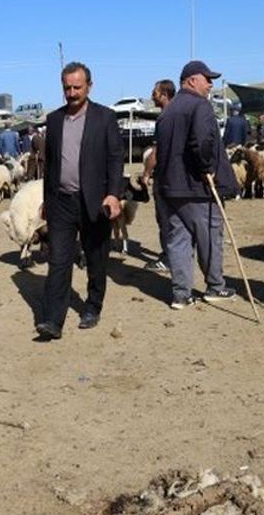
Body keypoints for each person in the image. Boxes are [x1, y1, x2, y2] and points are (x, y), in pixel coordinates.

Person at [35, 62, 124, 340]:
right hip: (61, 202)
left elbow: (115, 158)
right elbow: (50, 165)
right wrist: (46, 200)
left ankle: (93, 306)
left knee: (96, 259)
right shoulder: (54, 120)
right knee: (59, 260)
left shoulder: (105, 117)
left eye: (77, 87)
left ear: (89, 86)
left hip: (95, 202)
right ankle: (53, 320)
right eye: (67, 88)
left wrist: (114, 194)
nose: (72, 93)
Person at [155, 60, 239, 310]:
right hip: (197, 187)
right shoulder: (199, 106)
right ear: (192, 80)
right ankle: (215, 286)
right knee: (210, 237)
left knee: (178, 240)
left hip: (170, 188)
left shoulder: (167, 111)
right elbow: (201, 142)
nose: (210, 84)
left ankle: (181, 294)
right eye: (207, 79)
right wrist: (207, 168)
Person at [142, 79, 176, 275]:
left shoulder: (164, 117)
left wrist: (147, 173)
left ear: (164, 94)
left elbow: (156, 152)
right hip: (179, 178)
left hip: (164, 178)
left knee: (164, 219)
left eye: (154, 93)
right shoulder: (181, 115)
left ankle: (168, 259)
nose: (152, 96)